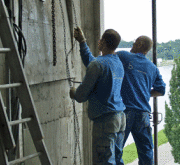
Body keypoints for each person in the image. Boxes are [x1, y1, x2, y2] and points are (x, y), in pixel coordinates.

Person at [70, 27, 126, 165]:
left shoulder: (98, 65)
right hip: (119, 119)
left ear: (102, 42)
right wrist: (82, 42)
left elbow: (81, 96)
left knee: (104, 162)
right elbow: (92, 62)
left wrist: (73, 92)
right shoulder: (117, 62)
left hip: (105, 122)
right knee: (117, 160)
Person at [116, 36, 166, 165]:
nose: (132, 44)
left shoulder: (124, 56)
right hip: (143, 114)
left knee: (116, 151)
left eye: (135, 42)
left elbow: (106, 60)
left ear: (139, 44)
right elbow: (161, 90)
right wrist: (143, 93)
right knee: (146, 153)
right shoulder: (152, 67)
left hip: (125, 112)